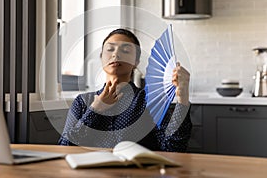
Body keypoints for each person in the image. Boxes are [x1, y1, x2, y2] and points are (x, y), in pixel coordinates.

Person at [58, 28, 192, 152]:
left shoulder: (149, 100)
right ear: (101, 57)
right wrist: (95, 110)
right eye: (110, 49)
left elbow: (172, 148)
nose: (116, 54)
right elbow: (64, 147)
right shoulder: (82, 101)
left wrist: (183, 99)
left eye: (126, 50)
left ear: (136, 62)